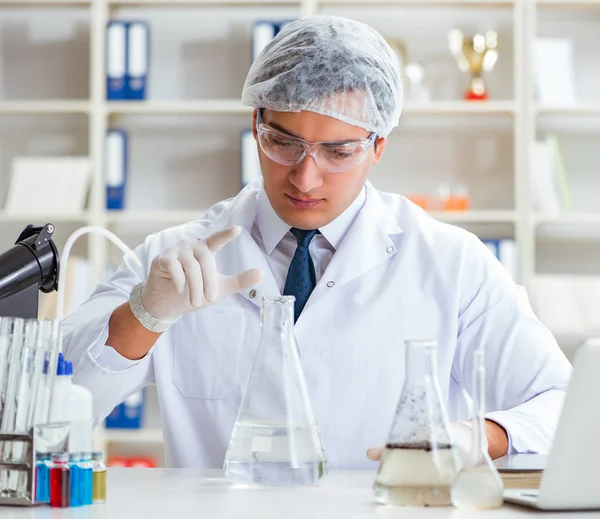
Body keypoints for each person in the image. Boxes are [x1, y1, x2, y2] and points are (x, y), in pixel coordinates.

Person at [63, 15, 571, 469]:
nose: (305, 178)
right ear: (255, 124)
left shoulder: (451, 263)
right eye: (283, 143)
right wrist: (144, 317)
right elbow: (55, 410)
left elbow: (563, 402)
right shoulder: (171, 262)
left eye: (338, 151)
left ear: (378, 147)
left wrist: (478, 435)